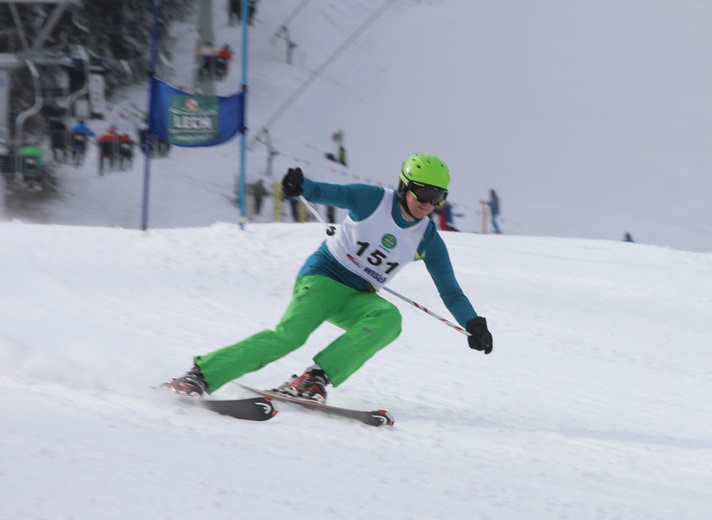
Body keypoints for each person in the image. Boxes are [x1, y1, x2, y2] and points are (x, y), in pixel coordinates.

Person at [164, 154, 493, 402]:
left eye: (436, 197)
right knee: (290, 335)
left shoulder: (427, 239)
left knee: (388, 318)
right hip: (322, 278)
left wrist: (473, 323)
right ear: (405, 186)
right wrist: (301, 186)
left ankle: (313, 378)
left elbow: (450, 290)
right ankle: (201, 375)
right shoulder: (373, 199)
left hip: (357, 295)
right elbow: (327, 192)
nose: (426, 203)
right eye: (421, 193)